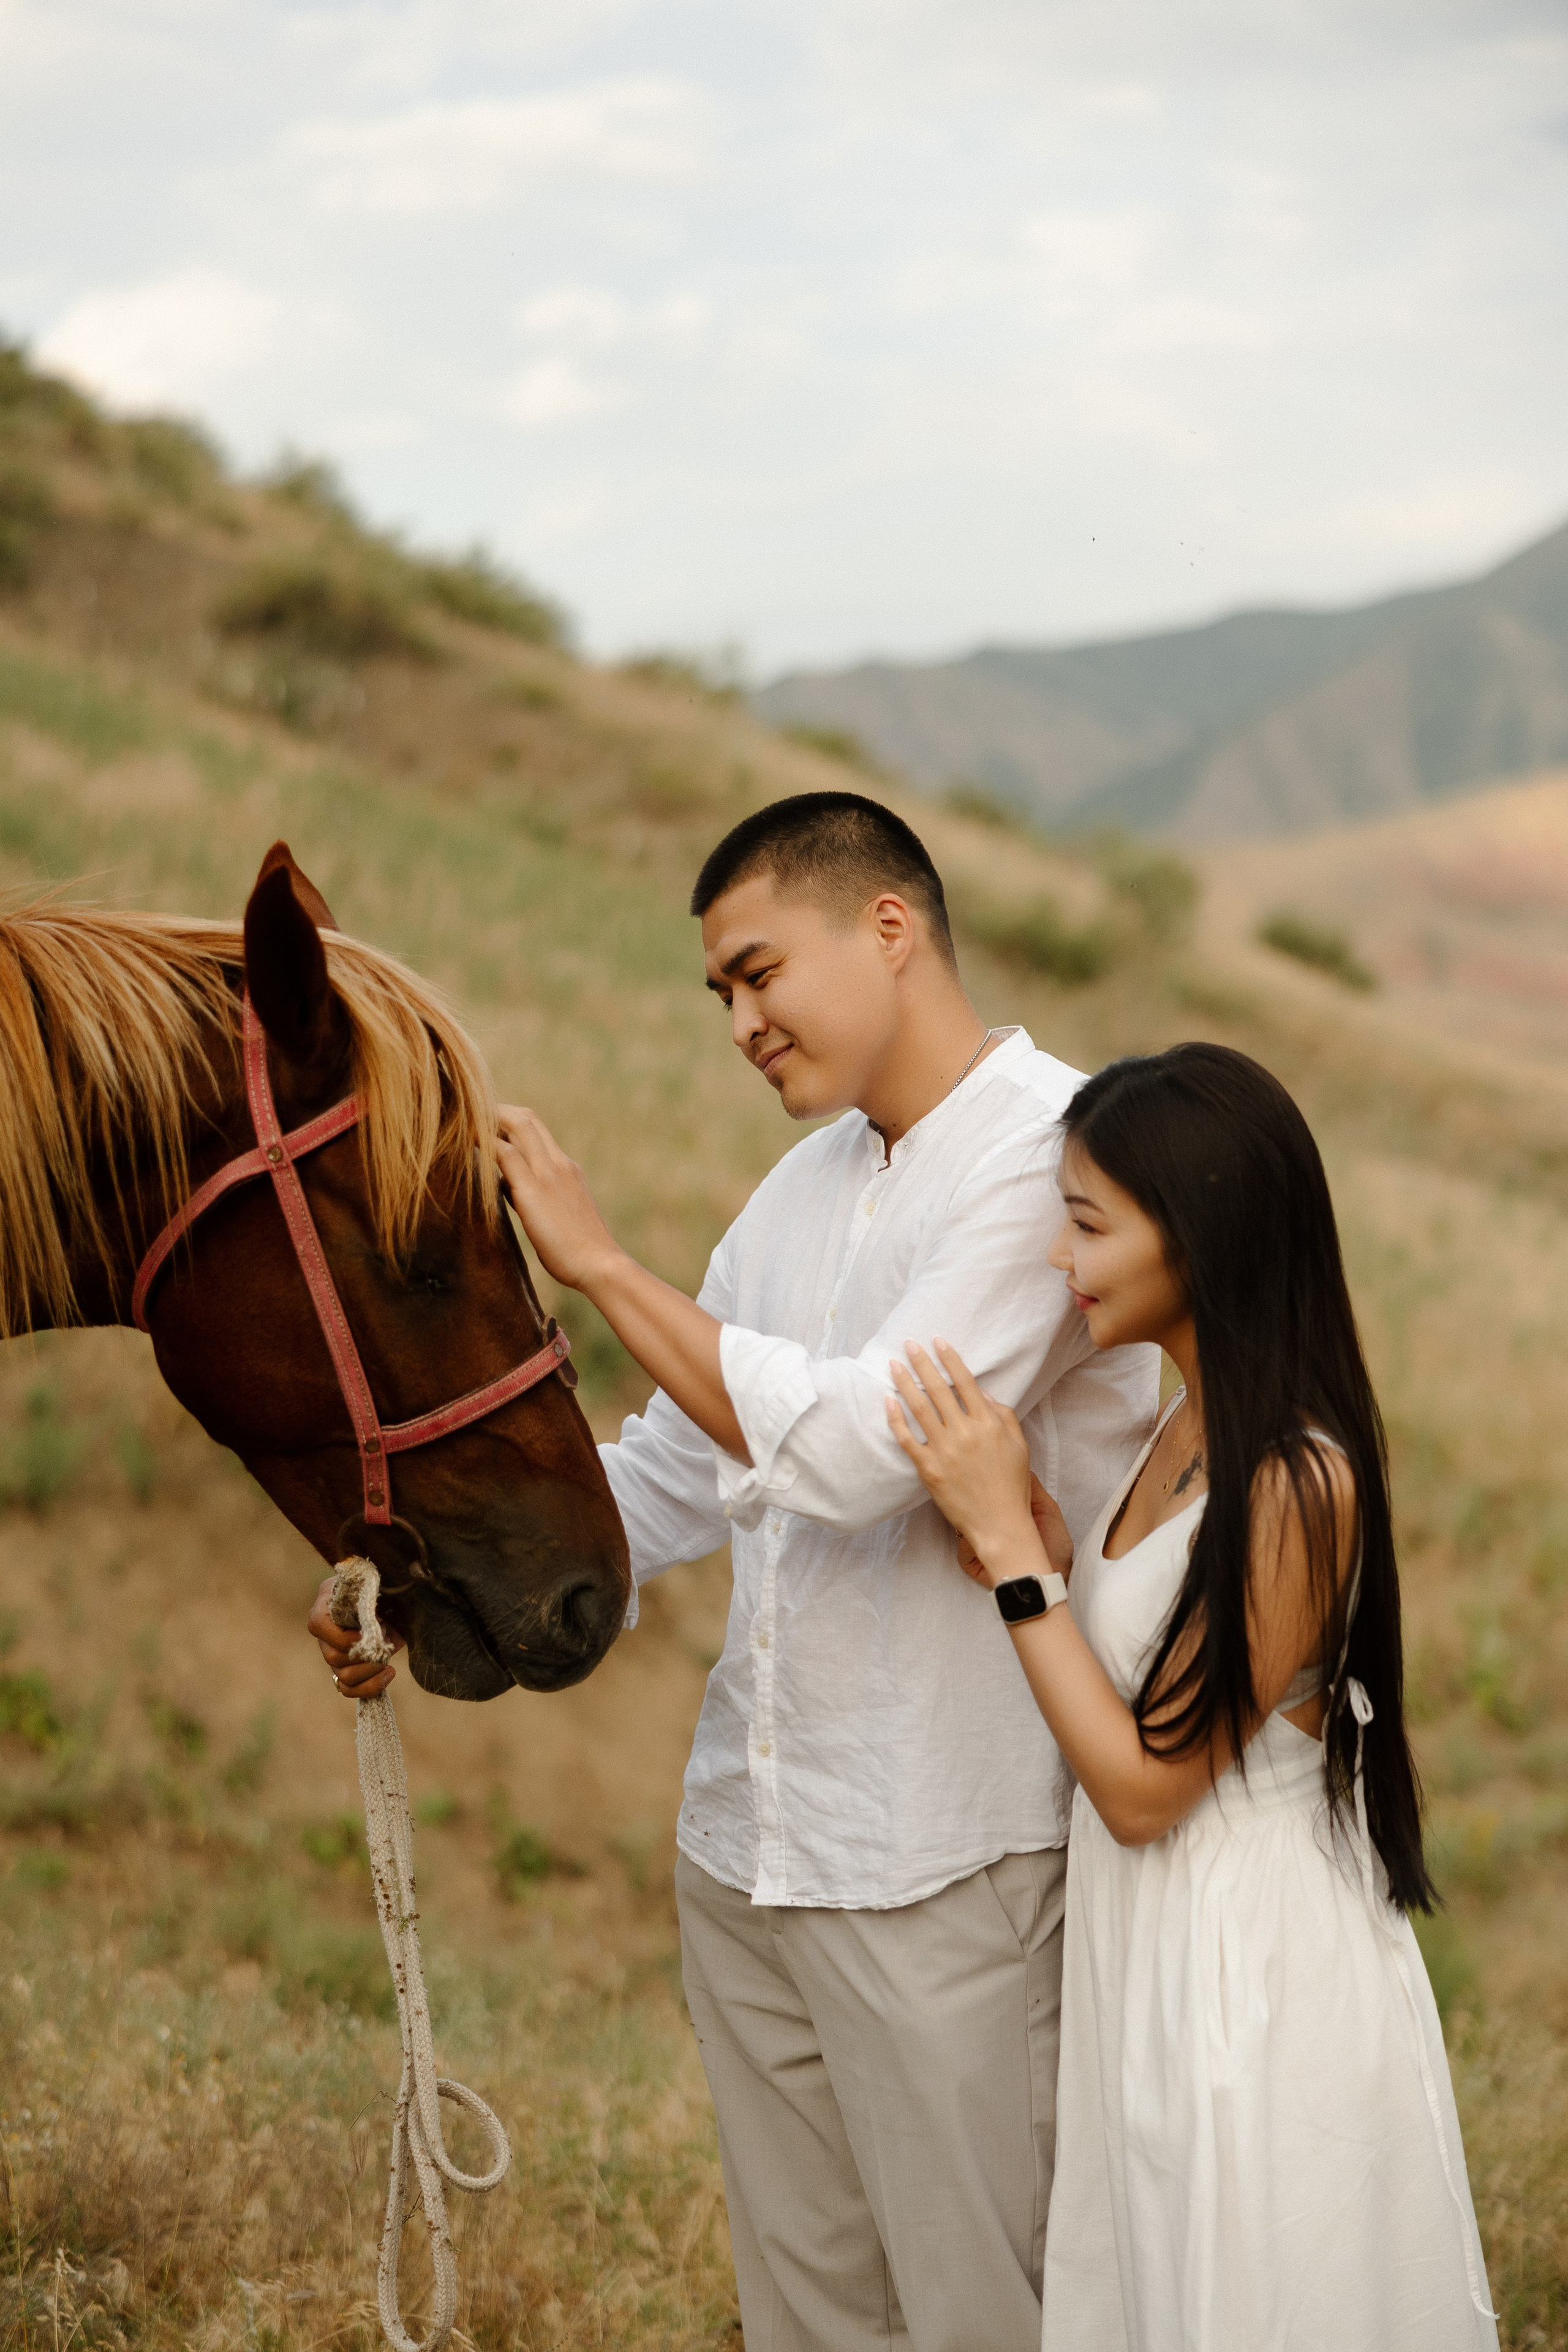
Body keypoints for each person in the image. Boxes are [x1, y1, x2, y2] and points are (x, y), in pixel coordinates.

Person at [313, 790, 1158, 2351]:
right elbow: (669, 1473)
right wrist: (418, 1583)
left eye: (758, 972)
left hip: (942, 1861)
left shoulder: (1052, 1154)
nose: (738, 1022)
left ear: (888, 928)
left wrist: (604, 1264)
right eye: (719, 993)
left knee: (983, 2315)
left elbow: (852, 1456)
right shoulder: (805, 1187)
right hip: (750, 1852)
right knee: (809, 2321)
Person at [886, 1042, 1499, 2352]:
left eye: (1088, 1222)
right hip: (1158, 1946)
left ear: (1200, 1231)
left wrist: (1010, 1563)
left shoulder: (1296, 1480)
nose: (1061, 1257)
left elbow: (1142, 1787)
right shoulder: (1179, 1429)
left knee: (1249, 2290)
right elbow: (1146, 1667)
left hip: (1247, 1962)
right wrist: (1050, 1559)